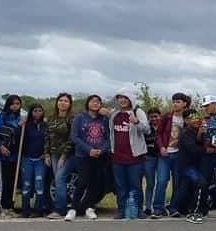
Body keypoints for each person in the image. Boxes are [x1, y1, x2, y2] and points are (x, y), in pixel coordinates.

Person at [109, 88, 150, 220]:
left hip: (135, 158)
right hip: (118, 157)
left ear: (130, 99)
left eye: (125, 98)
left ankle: (138, 210)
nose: (122, 100)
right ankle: (121, 210)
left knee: (135, 185)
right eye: (120, 97)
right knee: (120, 186)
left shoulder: (138, 112)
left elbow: (147, 130)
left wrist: (136, 122)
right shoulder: (114, 114)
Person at [68, 95, 110, 221]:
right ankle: (73, 208)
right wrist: (89, 150)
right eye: (93, 101)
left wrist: (101, 150)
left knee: (95, 183)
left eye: (98, 102)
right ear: (88, 103)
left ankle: (89, 208)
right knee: (82, 182)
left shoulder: (103, 119)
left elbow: (108, 137)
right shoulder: (80, 118)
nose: (95, 104)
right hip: (83, 155)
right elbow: (74, 137)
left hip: (100, 155)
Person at [152, 93, 191, 218]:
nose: (175, 104)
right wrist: (162, 147)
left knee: (178, 182)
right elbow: (158, 134)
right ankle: (158, 208)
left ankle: (174, 208)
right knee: (162, 181)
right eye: (173, 101)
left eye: (178, 101)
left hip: (180, 155)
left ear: (185, 103)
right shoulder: (166, 117)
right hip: (165, 154)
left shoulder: (188, 118)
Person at [0, 95, 24, 218]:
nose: (15, 106)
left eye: (17, 104)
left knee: (12, 182)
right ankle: (3, 207)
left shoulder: (21, 118)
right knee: (3, 182)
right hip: (3, 155)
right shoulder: (2, 117)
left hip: (15, 155)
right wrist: (1, 147)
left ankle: (10, 206)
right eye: (13, 104)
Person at [44, 93, 75, 219]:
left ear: (69, 104)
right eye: (60, 100)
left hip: (68, 155)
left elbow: (72, 139)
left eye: (66, 101)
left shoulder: (72, 118)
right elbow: (47, 137)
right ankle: (60, 207)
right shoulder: (51, 118)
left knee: (60, 178)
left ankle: (60, 210)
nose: (63, 103)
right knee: (58, 180)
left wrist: (64, 156)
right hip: (53, 154)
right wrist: (46, 154)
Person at [176, 109, 208, 223]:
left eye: (197, 117)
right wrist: (207, 149)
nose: (195, 120)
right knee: (201, 183)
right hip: (187, 167)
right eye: (192, 118)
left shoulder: (198, 131)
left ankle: (187, 209)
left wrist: (200, 135)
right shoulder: (185, 133)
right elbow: (193, 150)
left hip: (197, 166)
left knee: (189, 190)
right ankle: (194, 213)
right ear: (186, 120)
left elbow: (200, 143)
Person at [19, 104, 47, 217]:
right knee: (26, 185)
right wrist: (20, 127)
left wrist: (46, 153)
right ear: (31, 112)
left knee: (39, 184)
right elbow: (18, 140)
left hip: (40, 159)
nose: (37, 113)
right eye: (35, 111)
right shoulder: (26, 125)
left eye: (40, 111)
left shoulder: (45, 126)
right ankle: (25, 210)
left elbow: (48, 141)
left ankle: (38, 210)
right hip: (27, 158)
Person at [143, 107, 162, 217]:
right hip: (148, 158)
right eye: (151, 117)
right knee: (150, 183)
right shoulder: (146, 129)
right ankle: (148, 207)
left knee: (161, 182)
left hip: (161, 158)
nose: (154, 119)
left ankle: (159, 206)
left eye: (156, 116)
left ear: (160, 116)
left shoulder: (164, 127)